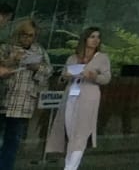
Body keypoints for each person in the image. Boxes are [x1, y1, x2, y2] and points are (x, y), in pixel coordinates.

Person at [46, 26, 112, 170]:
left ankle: (70, 167)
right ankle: (69, 164)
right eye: (92, 36)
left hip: (89, 95)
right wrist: (66, 76)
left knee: (81, 132)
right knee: (70, 130)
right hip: (71, 95)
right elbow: (62, 77)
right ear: (85, 38)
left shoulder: (102, 58)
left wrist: (95, 76)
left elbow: (106, 78)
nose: (95, 40)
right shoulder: (73, 57)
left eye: (97, 37)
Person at [1, 19, 53, 170]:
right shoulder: (6, 47)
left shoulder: (39, 51)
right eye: (24, 35)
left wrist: (37, 68)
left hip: (23, 101)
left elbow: (48, 70)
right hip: (5, 96)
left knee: (13, 140)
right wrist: (11, 60)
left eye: (31, 36)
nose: (27, 38)